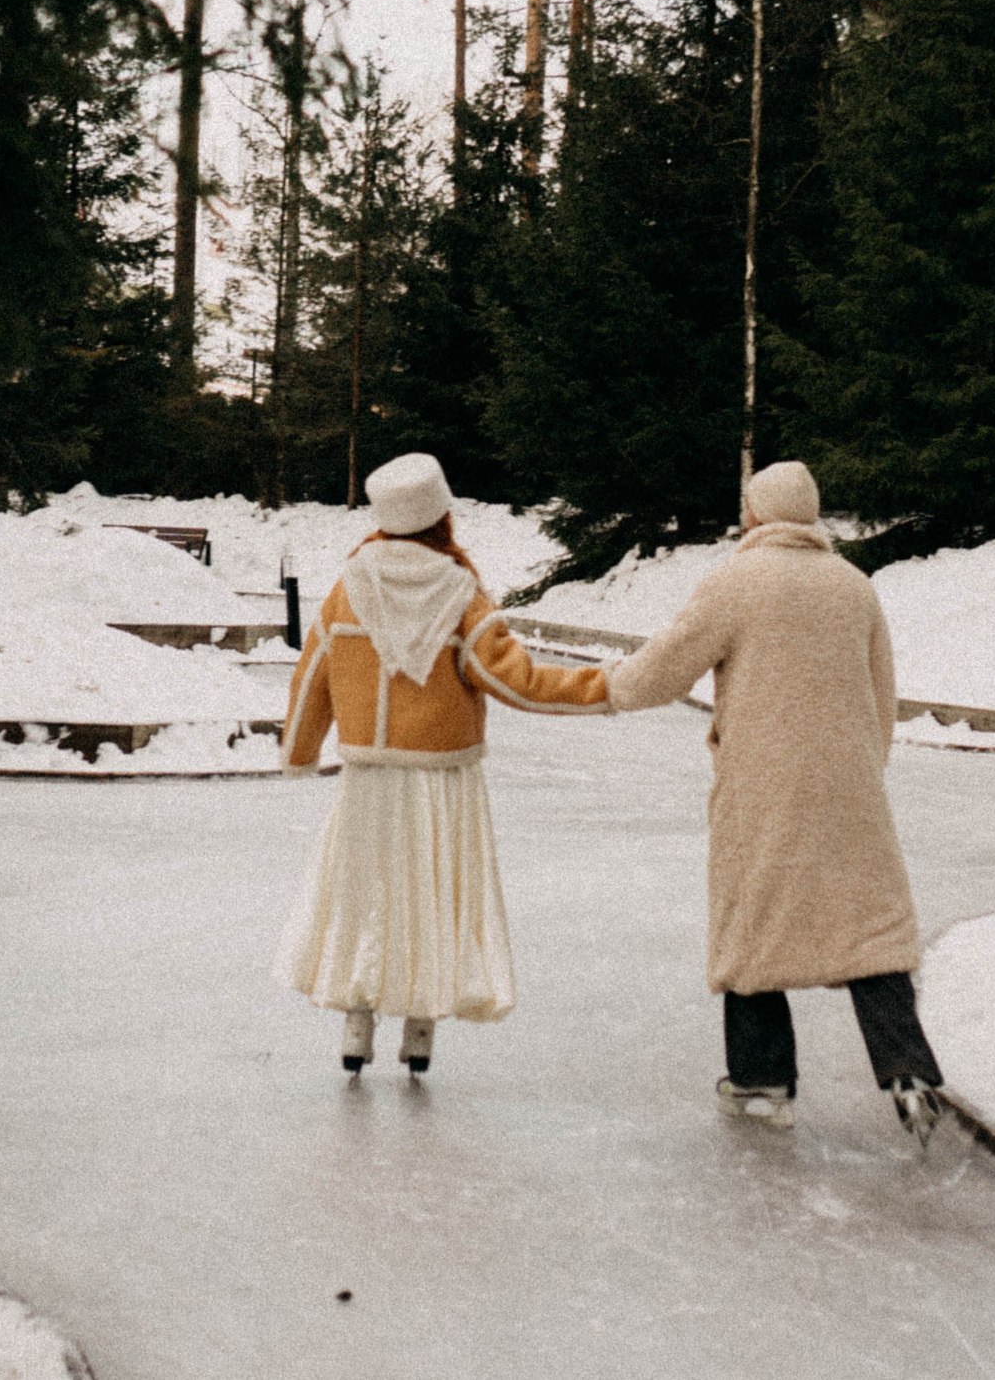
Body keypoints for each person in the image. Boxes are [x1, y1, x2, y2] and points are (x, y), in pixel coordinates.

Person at [606, 460, 955, 1147]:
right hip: (850, 785)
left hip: (762, 786)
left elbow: (669, 662)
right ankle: (908, 1070)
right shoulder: (855, 588)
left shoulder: (738, 581)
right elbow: (883, 691)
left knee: (756, 921)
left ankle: (763, 1082)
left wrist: (613, 687)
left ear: (759, 514)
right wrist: (863, 765)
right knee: (869, 927)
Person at [275, 452, 611, 1077]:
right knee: (431, 896)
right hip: (443, 779)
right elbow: (516, 681)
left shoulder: (348, 589)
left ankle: (357, 1018)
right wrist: (604, 688)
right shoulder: (463, 595)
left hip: (370, 776)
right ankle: (420, 1025)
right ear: (440, 516)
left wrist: (299, 752)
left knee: (367, 893)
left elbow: (311, 675)